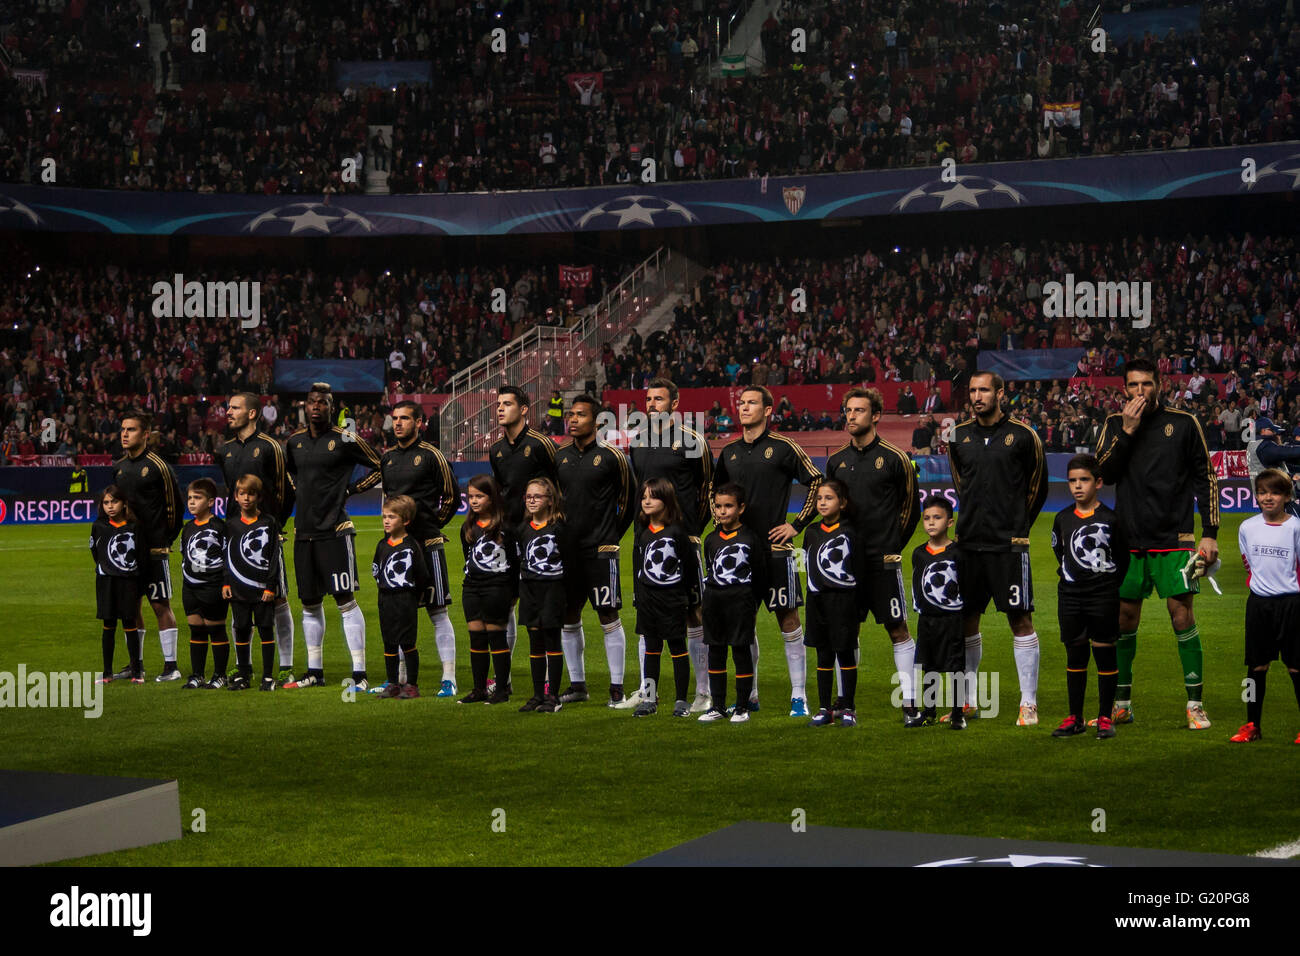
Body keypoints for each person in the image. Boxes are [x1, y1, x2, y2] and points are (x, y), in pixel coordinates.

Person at [1097, 358, 1218, 730]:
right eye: (1133, 386)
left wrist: (1210, 532)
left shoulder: (1183, 423)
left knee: (1181, 615)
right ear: (1124, 389)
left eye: (1146, 384)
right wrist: (1128, 431)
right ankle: (1121, 702)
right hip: (1127, 539)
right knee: (1124, 619)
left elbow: (1206, 478)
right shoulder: (1114, 424)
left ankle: (1195, 704)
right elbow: (1105, 472)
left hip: (1175, 537)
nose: (1140, 392)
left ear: (1160, 383)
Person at [711, 385, 824, 717]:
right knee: (742, 624)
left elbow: (816, 481)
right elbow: (713, 489)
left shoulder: (784, 447)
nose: (744, 408)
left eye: (751, 403)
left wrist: (796, 524)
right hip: (737, 554)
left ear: (768, 410)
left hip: (775, 551)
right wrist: (721, 525)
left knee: (788, 620)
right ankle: (752, 695)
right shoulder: (729, 451)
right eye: (741, 403)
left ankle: (799, 697)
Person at [948, 371, 1048, 726]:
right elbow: (962, 485)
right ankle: (967, 700)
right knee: (965, 620)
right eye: (973, 390)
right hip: (968, 544)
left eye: (984, 390)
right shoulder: (957, 436)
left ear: (1000, 393)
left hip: (1008, 545)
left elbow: (1038, 488)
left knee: (1020, 619)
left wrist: (1017, 527)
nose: (977, 396)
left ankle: (1028, 702)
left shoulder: (1024, 436)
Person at [825, 387, 922, 726]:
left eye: (859, 410)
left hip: (883, 562)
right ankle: (844, 701)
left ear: (876, 415)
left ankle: (910, 703)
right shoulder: (836, 461)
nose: (851, 416)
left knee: (898, 629)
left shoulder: (896, 459)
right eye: (848, 410)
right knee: (845, 633)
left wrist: (893, 546)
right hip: (846, 566)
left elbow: (911, 510)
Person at [283, 383, 383, 690]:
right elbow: (287, 473)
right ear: (305, 406)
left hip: (335, 531)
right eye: (312, 402)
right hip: (304, 532)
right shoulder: (295, 442)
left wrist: (353, 490)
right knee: (310, 603)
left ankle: (359, 674)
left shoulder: (345, 438)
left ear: (332, 406)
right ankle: (315, 671)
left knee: (345, 601)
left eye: (323, 403)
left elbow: (381, 466)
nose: (316, 407)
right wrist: (297, 489)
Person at [623, 377, 713, 712]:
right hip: (646, 543)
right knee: (646, 616)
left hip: (682, 542)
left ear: (675, 404)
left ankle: (702, 691)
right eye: (648, 399)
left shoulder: (691, 440)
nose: (651, 405)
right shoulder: (639, 442)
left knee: (694, 614)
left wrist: (694, 530)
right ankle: (649, 692)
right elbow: (639, 491)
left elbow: (708, 488)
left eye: (659, 399)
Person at [555, 394, 636, 706]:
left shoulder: (614, 457)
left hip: (601, 550)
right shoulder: (560, 457)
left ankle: (617, 688)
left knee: (607, 613)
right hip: (566, 551)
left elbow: (629, 501)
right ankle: (578, 685)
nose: (573, 420)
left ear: (597, 421)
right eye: (570, 415)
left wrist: (612, 536)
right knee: (568, 615)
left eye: (580, 415)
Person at [378, 400, 460, 697]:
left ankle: (448, 678)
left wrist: (432, 526)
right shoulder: (387, 459)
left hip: (427, 545)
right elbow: (387, 498)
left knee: (438, 612)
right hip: (399, 549)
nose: (397, 423)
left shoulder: (431, 456)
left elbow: (452, 495)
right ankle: (399, 680)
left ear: (418, 423)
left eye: (404, 418)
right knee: (400, 614)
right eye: (395, 418)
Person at [1049, 455, 1129, 739]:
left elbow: (1122, 558)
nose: (1077, 486)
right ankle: (1075, 717)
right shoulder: (1062, 519)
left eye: (1084, 480)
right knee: (1075, 653)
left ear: (1098, 482)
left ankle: (1105, 717)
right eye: (1072, 481)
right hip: (1070, 596)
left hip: (1103, 596)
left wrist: (1106, 585)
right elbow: (1060, 553)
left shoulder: (1111, 519)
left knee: (1104, 653)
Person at [220, 393, 296, 685]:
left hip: (265, 536)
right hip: (236, 535)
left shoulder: (270, 447)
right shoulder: (224, 450)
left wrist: (275, 526)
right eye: (229, 407)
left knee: (277, 598)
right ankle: (243, 667)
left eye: (235, 408)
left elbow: (285, 490)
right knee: (238, 598)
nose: (228, 412)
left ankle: (285, 665)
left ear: (252, 413)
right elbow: (231, 492)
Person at [489, 386, 558, 689]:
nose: (500, 409)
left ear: (525, 408)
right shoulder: (496, 451)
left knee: (540, 609)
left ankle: (545, 679)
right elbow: (502, 492)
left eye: (507, 404)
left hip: (538, 539)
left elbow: (558, 487)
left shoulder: (541, 445)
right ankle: (503, 679)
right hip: (508, 537)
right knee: (506, 606)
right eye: (498, 404)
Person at [112, 410, 184, 681]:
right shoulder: (118, 468)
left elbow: (174, 508)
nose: (125, 434)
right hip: (127, 552)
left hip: (154, 550)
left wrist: (165, 540)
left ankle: (171, 666)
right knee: (131, 607)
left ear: (145, 435)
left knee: (159, 605)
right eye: (122, 429)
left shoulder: (158, 467)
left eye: (131, 430)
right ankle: (135, 664)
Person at [1230, 469, 1300, 743]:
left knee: (1297, 668)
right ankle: (1251, 725)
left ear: (1286, 496)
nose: (1267, 497)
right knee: (1255, 668)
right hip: (1259, 605)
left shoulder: (1296, 527)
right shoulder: (1247, 527)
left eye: (1274, 492)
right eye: (1262, 492)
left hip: (1292, 604)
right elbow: (1249, 565)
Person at [699, 483, 768, 723]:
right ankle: (717, 706)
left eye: (728, 506)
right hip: (714, 603)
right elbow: (710, 570)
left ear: (741, 508)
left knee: (740, 652)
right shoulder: (710, 540)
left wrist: (751, 603)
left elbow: (759, 575)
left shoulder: (750, 538)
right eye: (718, 506)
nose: (722, 511)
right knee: (715, 652)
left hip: (740, 603)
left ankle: (741, 706)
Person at [630, 478, 698, 717]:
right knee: (651, 649)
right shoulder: (642, 534)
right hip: (648, 602)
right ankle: (649, 699)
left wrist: (689, 598)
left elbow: (690, 568)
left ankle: (681, 700)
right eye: (644, 496)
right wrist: (639, 597)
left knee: (678, 648)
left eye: (653, 496)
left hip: (672, 600)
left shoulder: (677, 533)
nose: (647, 501)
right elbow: (638, 568)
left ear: (667, 501)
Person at [802, 480, 864, 727]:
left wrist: (858, 607)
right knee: (823, 656)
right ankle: (824, 709)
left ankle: (848, 707)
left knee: (845, 654)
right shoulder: (812, 532)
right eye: (819, 498)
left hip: (844, 602)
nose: (823, 502)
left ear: (843, 502)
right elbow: (808, 565)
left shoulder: (850, 531)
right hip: (817, 602)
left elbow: (859, 570)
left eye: (829, 498)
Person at [457, 475, 519, 704]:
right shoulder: (468, 527)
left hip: (497, 587)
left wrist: (514, 593)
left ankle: (502, 689)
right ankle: (479, 689)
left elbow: (514, 561)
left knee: (496, 637)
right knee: (477, 639)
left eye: (479, 496)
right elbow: (468, 558)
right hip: (472, 588)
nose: (473, 501)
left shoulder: (505, 527)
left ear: (491, 498)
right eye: (470, 496)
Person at [515, 477, 570, 713]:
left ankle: (553, 696)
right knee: (534, 641)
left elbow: (570, 562)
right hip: (529, 590)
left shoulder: (559, 528)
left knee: (551, 640)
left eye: (537, 496)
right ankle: (538, 694)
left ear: (550, 500)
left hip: (552, 589)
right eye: (528, 496)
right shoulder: (523, 529)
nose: (532, 500)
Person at [911, 495, 966, 728]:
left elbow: (966, 584)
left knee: (955, 667)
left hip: (952, 618)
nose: (931, 522)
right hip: (927, 619)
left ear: (950, 523)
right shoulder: (918, 553)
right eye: (926, 518)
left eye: (937, 518)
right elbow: (917, 582)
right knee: (929, 666)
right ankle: (929, 711)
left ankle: (957, 714)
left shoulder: (958, 552)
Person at [221, 475, 281, 692]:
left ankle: (267, 676)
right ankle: (244, 674)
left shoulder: (269, 523)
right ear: (235, 497)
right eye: (242, 493)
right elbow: (225, 556)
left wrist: (270, 586)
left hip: (262, 589)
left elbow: (274, 557)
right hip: (238, 588)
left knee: (265, 629)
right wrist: (226, 583)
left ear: (259, 497)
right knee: (242, 628)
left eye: (251, 494)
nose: (246, 498)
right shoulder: (231, 525)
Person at [371, 494, 431, 699]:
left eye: (392, 517)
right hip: (386, 599)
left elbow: (422, 575)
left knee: (407, 643)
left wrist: (414, 596)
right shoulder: (382, 545)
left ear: (405, 520)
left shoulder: (412, 545)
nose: (386, 521)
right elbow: (376, 569)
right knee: (389, 642)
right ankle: (393, 683)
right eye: (384, 517)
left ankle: (412, 685)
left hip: (405, 599)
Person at [178, 478, 229, 690]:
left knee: (215, 630)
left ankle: (220, 675)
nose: (191, 502)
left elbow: (227, 558)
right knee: (196, 629)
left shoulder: (219, 527)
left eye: (197, 498)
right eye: (189, 498)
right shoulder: (187, 528)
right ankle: (197, 675)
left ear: (210, 502)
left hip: (213, 586)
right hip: (190, 587)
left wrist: (226, 584)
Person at [90, 486, 144, 684]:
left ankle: (137, 672)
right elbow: (95, 552)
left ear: (124, 503)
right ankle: (107, 673)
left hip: (128, 581)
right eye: (106, 502)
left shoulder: (134, 527)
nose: (110, 506)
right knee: (108, 626)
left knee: (130, 624)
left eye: (114, 501)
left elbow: (140, 555)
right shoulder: (98, 526)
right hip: (106, 582)